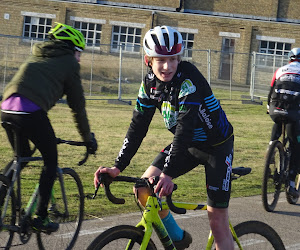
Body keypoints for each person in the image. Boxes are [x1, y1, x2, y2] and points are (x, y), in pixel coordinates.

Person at [94, 26, 234, 250]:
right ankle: (178, 238)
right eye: (160, 59)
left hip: (216, 147)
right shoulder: (150, 84)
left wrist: (168, 174)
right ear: (148, 59)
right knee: (142, 188)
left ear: (179, 59)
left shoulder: (189, 79)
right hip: (188, 146)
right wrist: (117, 167)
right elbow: (137, 127)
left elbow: (185, 129)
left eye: (172, 59)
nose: (167, 66)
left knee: (217, 222)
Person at [1, 22, 98, 232]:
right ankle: (41, 217)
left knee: (22, 156)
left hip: (6, 109)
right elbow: (78, 108)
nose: (80, 57)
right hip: (31, 114)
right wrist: (87, 139)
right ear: (72, 49)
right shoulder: (69, 64)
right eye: (79, 52)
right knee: (51, 162)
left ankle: (1, 196)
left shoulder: (38, 55)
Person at [267, 47, 300, 198]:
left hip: (275, 108)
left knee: (278, 121)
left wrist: (269, 107)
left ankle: (271, 148)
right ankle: (292, 183)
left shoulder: (280, 70)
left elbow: (271, 89)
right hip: (293, 112)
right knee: (295, 144)